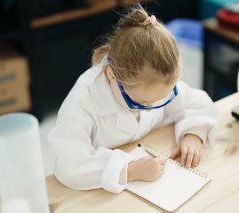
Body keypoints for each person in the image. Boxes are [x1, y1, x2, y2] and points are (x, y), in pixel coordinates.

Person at [48, 4, 217, 193]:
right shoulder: (83, 101)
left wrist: (194, 135)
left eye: (163, 99)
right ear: (112, 76)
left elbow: (197, 103)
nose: (152, 107)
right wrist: (130, 170)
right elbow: (69, 165)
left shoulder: (158, 81)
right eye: (142, 103)